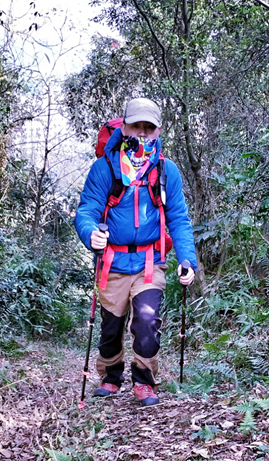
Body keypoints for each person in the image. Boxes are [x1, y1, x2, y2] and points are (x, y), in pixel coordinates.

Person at [74, 97, 197, 406]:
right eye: (136, 126)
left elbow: (179, 218)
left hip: (149, 262)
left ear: (157, 132)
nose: (142, 133)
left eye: (148, 128)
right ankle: (111, 377)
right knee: (110, 327)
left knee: (147, 321)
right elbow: (86, 210)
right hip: (113, 261)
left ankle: (144, 381)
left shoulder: (167, 171)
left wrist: (186, 260)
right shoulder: (104, 169)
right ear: (124, 126)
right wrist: (90, 233)